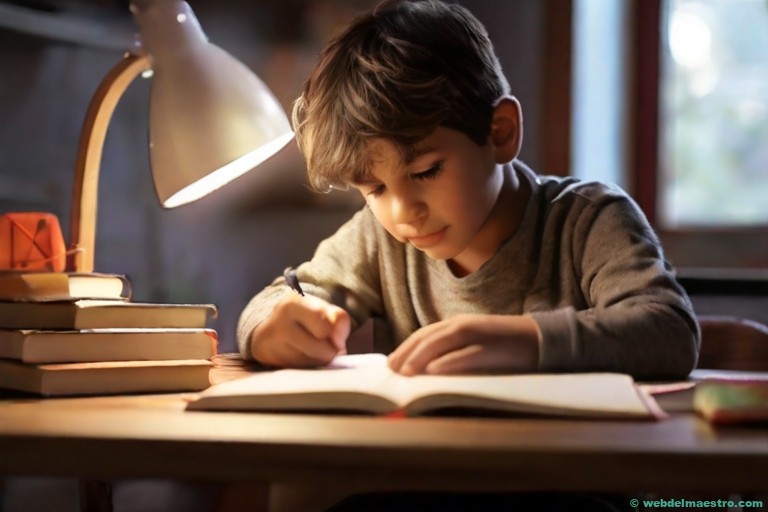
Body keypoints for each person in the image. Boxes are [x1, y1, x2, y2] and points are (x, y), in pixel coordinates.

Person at [234, 1, 699, 510]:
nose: (403, 210)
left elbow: (670, 331)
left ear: (499, 133)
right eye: (373, 187)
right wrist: (273, 326)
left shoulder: (588, 219)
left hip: (570, 486)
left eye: (427, 171)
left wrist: (527, 342)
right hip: (432, 484)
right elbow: (284, 298)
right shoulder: (379, 238)